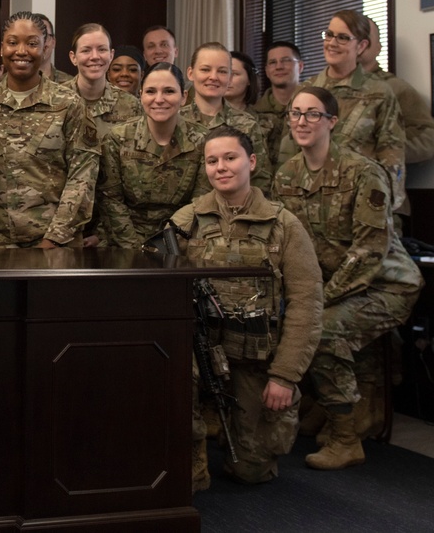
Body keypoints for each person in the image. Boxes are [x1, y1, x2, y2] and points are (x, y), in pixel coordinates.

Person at [273, 86, 422, 470]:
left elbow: (370, 251)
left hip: (385, 285)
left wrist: (318, 300)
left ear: (332, 122)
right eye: (296, 114)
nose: (302, 122)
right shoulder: (287, 175)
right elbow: (288, 244)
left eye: (313, 114)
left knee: (320, 332)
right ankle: (327, 409)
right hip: (334, 287)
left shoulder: (363, 172)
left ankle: (346, 438)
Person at [171, 127, 322, 489]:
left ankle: (233, 428)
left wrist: (285, 375)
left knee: (251, 471)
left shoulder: (283, 225)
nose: (221, 167)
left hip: (251, 357)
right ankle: (191, 454)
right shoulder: (186, 220)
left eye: (230, 158)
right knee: (176, 379)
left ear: (251, 162)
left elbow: (307, 304)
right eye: (212, 161)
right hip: (197, 352)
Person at [0, 12, 100, 249]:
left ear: (45, 48)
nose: (21, 51)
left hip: (56, 241)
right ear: (1, 48)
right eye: (12, 42)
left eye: (32, 43)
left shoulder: (68, 103)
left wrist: (55, 237)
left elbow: (83, 176)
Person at [276, 10, 406, 212]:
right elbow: (289, 149)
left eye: (343, 38)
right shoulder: (306, 90)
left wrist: (382, 203)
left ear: (361, 46)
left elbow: (392, 155)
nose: (332, 43)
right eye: (329, 35)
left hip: (361, 201)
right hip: (310, 204)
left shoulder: (379, 92)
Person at [97, 62, 210, 249]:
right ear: (140, 96)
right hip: (124, 241)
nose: (159, 99)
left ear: (183, 97)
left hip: (183, 239)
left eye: (168, 91)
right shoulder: (118, 138)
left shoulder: (202, 140)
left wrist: (173, 247)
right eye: (150, 91)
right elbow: (111, 201)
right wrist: (136, 249)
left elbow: (200, 204)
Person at [64, 24, 142, 247]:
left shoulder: (132, 107)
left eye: (102, 49)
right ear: (73, 57)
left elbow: (133, 178)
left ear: (111, 55)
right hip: (62, 223)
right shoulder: (56, 101)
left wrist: (104, 234)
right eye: (86, 50)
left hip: (113, 227)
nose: (94, 57)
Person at [181, 42, 273, 193]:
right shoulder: (175, 121)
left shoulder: (246, 125)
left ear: (230, 77)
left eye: (222, 72)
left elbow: (260, 180)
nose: (213, 77)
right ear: (191, 73)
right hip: (181, 214)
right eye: (205, 69)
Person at [360, 15, 434, 165]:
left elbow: (428, 139)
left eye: (364, 35)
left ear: (378, 47)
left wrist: (377, 152)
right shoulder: (320, 89)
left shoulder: (395, 88)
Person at [252, 41, 303, 167]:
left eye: (286, 61)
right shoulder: (253, 114)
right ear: (267, 71)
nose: (279, 67)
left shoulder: (313, 112)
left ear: (300, 66)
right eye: (273, 62)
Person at [36, 13, 74, 83]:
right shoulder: (14, 82)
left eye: (45, 35)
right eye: (35, 37)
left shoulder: (69, 84)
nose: (42, 41)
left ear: (53, 42)